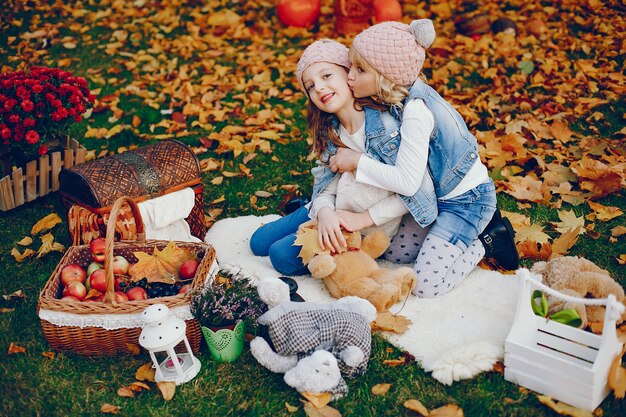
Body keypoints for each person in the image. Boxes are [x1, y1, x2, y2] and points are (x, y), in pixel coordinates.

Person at [330, 19, 519, 297]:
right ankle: (451, 238)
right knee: (395, 253)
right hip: (436, 198)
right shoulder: (399, 96)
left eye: (360, 70)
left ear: (386, 76)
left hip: (467, 202)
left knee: (426, 285)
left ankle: (487, 239)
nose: (349, 76)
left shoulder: (416, 113)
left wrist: (358, 162)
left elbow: (407, 183)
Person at [249, 39, 437, 276]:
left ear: (349, 74)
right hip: (333, 208)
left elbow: (415, 191)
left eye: (326, 76)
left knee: (280, 256)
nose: (318, 87)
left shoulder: (388, 126)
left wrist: (362, 219)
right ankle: (312, 216)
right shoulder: (331, 130)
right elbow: (326, 187)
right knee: (258, 242)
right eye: (310, 86)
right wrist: (324, 212)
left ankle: (326, 235)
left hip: (362, 226)